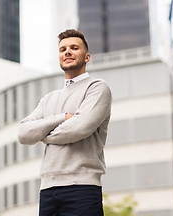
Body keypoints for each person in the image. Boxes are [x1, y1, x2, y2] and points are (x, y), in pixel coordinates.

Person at [18, 29, 112, 216]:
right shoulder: (48, 99)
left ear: (87, 57)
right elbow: (23, 134)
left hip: (82, 188)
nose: (67, 52)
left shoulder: (97, 88)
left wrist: (44, 135)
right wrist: (63, 117)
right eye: (63, 49)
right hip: (47, 190)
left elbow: (79, 128)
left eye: (74, 48)